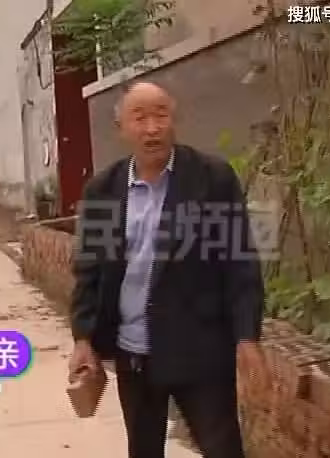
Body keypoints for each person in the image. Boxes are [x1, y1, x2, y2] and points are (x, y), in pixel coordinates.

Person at [68, 81, 269, 458]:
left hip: (201, 351)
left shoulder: (211, 179)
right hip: (134, 353)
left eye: (161, 115)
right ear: (122, 128)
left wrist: (247, 336)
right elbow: (89, 269)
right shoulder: (104, 190)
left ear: (174, 121)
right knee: (143, 450)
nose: (152, 128)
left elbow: (239, 261)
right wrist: (82, 338)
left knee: (223, 449)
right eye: (140, 117)